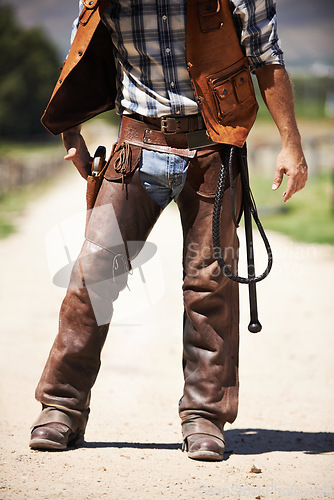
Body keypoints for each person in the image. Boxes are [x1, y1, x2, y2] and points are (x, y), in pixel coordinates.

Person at [29, 0, 307, 461]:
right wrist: (70, 128)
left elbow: (266, 54)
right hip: (136, 146)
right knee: (92, 277)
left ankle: (204, 416)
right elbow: (82, 45)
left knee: (210, 282)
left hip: (214, 149)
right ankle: (61, 406)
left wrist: (291, 145)